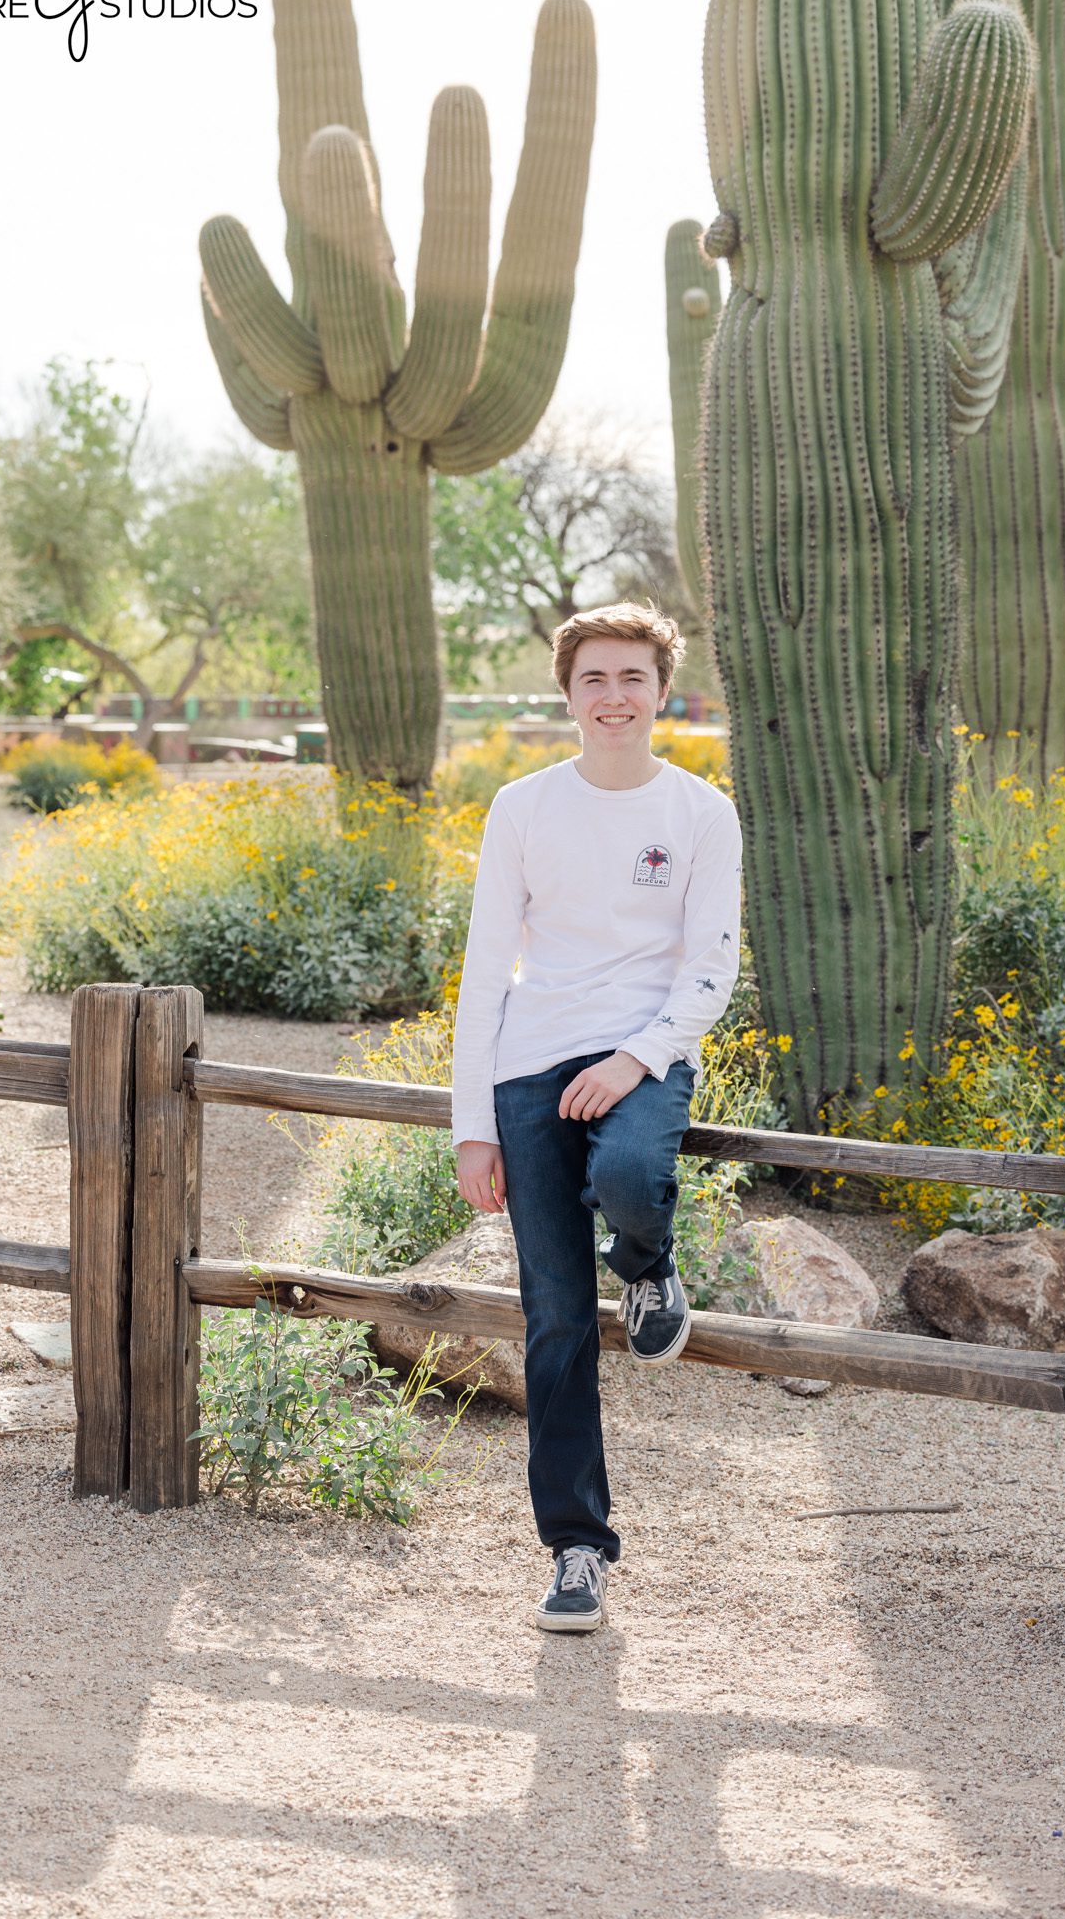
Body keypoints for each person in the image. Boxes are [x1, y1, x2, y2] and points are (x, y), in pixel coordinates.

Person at [451, 602, 743, 1633]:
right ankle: (576, 1548)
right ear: (568, 694)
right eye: (594, 678)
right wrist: (472, 1124)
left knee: (625, 1175)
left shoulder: (701, 811)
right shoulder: (523, 806)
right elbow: (487, 966)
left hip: (647, 1050)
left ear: (662, 691)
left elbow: (711, 965)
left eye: (632, 677)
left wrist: (633, 1058)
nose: (613, 696)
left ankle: (649, 1262)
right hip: (531, 1065)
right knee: (557, 1316)